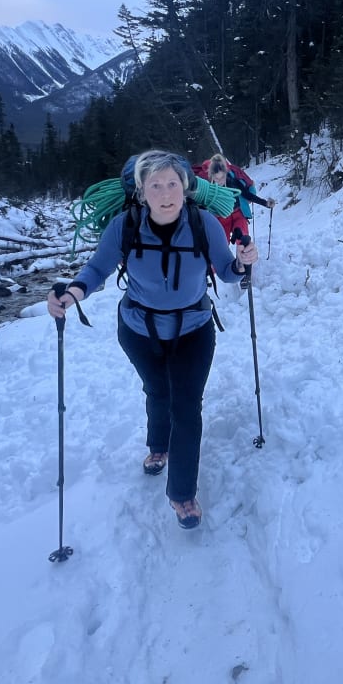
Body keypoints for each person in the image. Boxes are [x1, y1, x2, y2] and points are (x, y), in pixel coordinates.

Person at [47, 150, 259, 530]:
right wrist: (72, 293)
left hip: (193, 330)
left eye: (172, 184)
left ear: (185, 186)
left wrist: (243, 262)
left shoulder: (205, 224)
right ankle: (158, 446)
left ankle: (182, 493)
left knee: (187, 406)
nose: (165, 194)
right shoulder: (125, 226)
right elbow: (97, 268)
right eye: (155, 185)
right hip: (138, 330)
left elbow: (228, 271)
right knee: (158, 391)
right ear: (142, 192)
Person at [194, 154, 276, 245]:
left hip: (237, 213)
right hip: (221, 216)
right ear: (211, 176)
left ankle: (242, 245)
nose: (220, 181)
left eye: (222, 177)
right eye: (217, 178)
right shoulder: (209, 189)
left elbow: (247, 195)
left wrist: (265, 203)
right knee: (222, 243)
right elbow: (202, 205)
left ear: (226, 173)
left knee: (243, 236)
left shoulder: (233, 182)